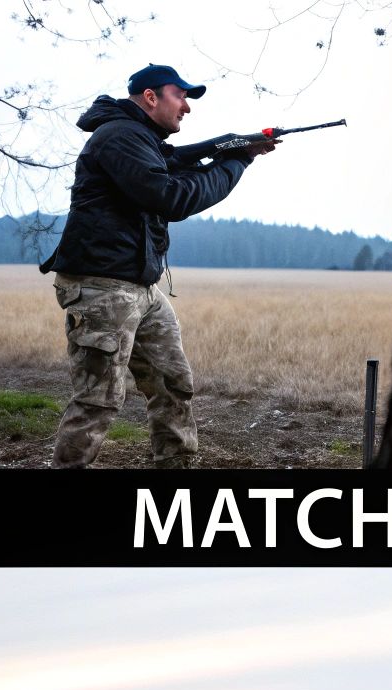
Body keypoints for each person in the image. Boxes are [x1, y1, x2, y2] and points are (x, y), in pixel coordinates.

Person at [40, 64, 277, 468]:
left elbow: (175, 162)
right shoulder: (119, 137)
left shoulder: (143, 139)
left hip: (142, 288)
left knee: (173, 384)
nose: (186, 107)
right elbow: (171, 196)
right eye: (180, 96)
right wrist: (234, 163)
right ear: (150, 97)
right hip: (102, 288)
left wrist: (235, 147)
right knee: (99, 399)